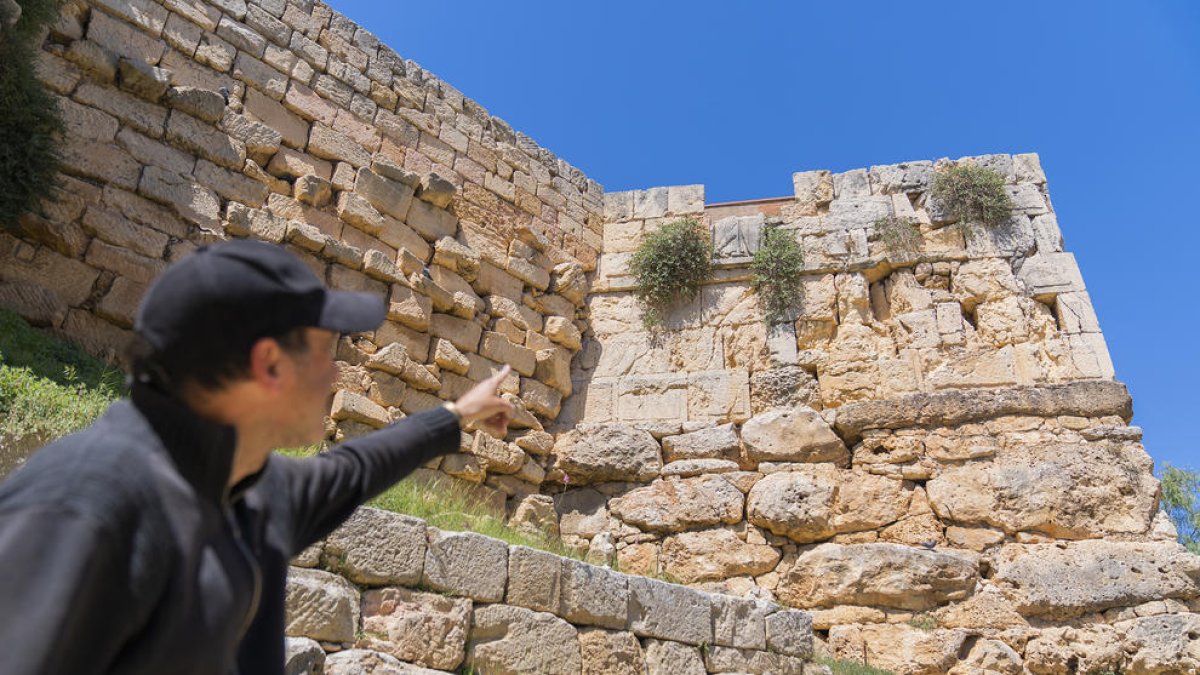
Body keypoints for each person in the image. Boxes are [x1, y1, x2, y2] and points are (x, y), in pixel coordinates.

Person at [0, 239, 514, 674]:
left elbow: (353, 470)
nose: (337, 375)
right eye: (326, 351)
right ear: (269, 363)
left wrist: (458, 414)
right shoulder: (89, 501)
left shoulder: (248, 492)